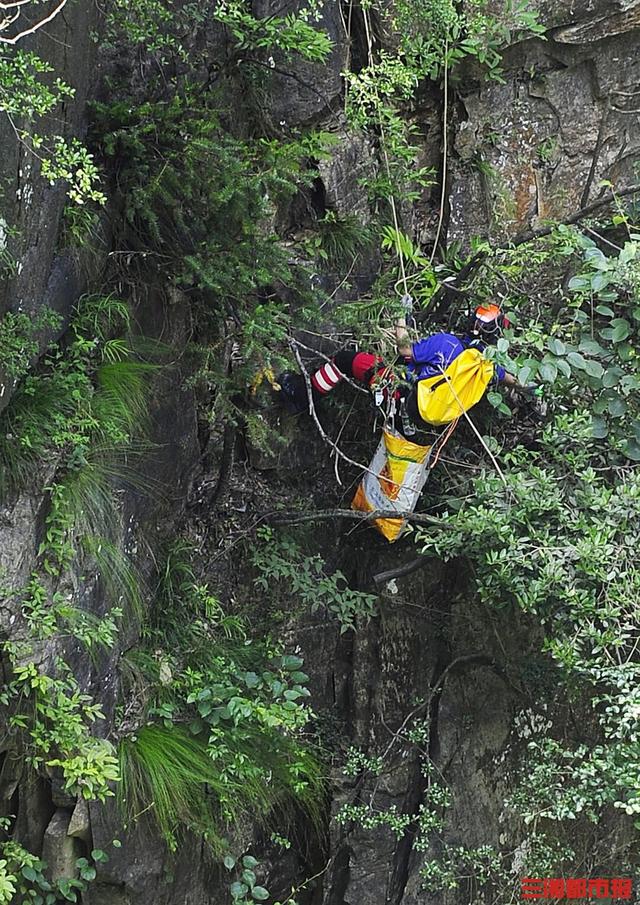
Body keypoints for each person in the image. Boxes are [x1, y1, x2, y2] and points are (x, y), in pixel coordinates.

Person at [279, 302, 534, 433]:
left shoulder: (446, 342)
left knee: (346, 360)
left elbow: (405, 351)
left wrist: (401, 316)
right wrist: (532, 388)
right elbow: (511, 379)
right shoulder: (485, 366)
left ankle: (303, 396)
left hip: (402, 395)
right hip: (426, 418)